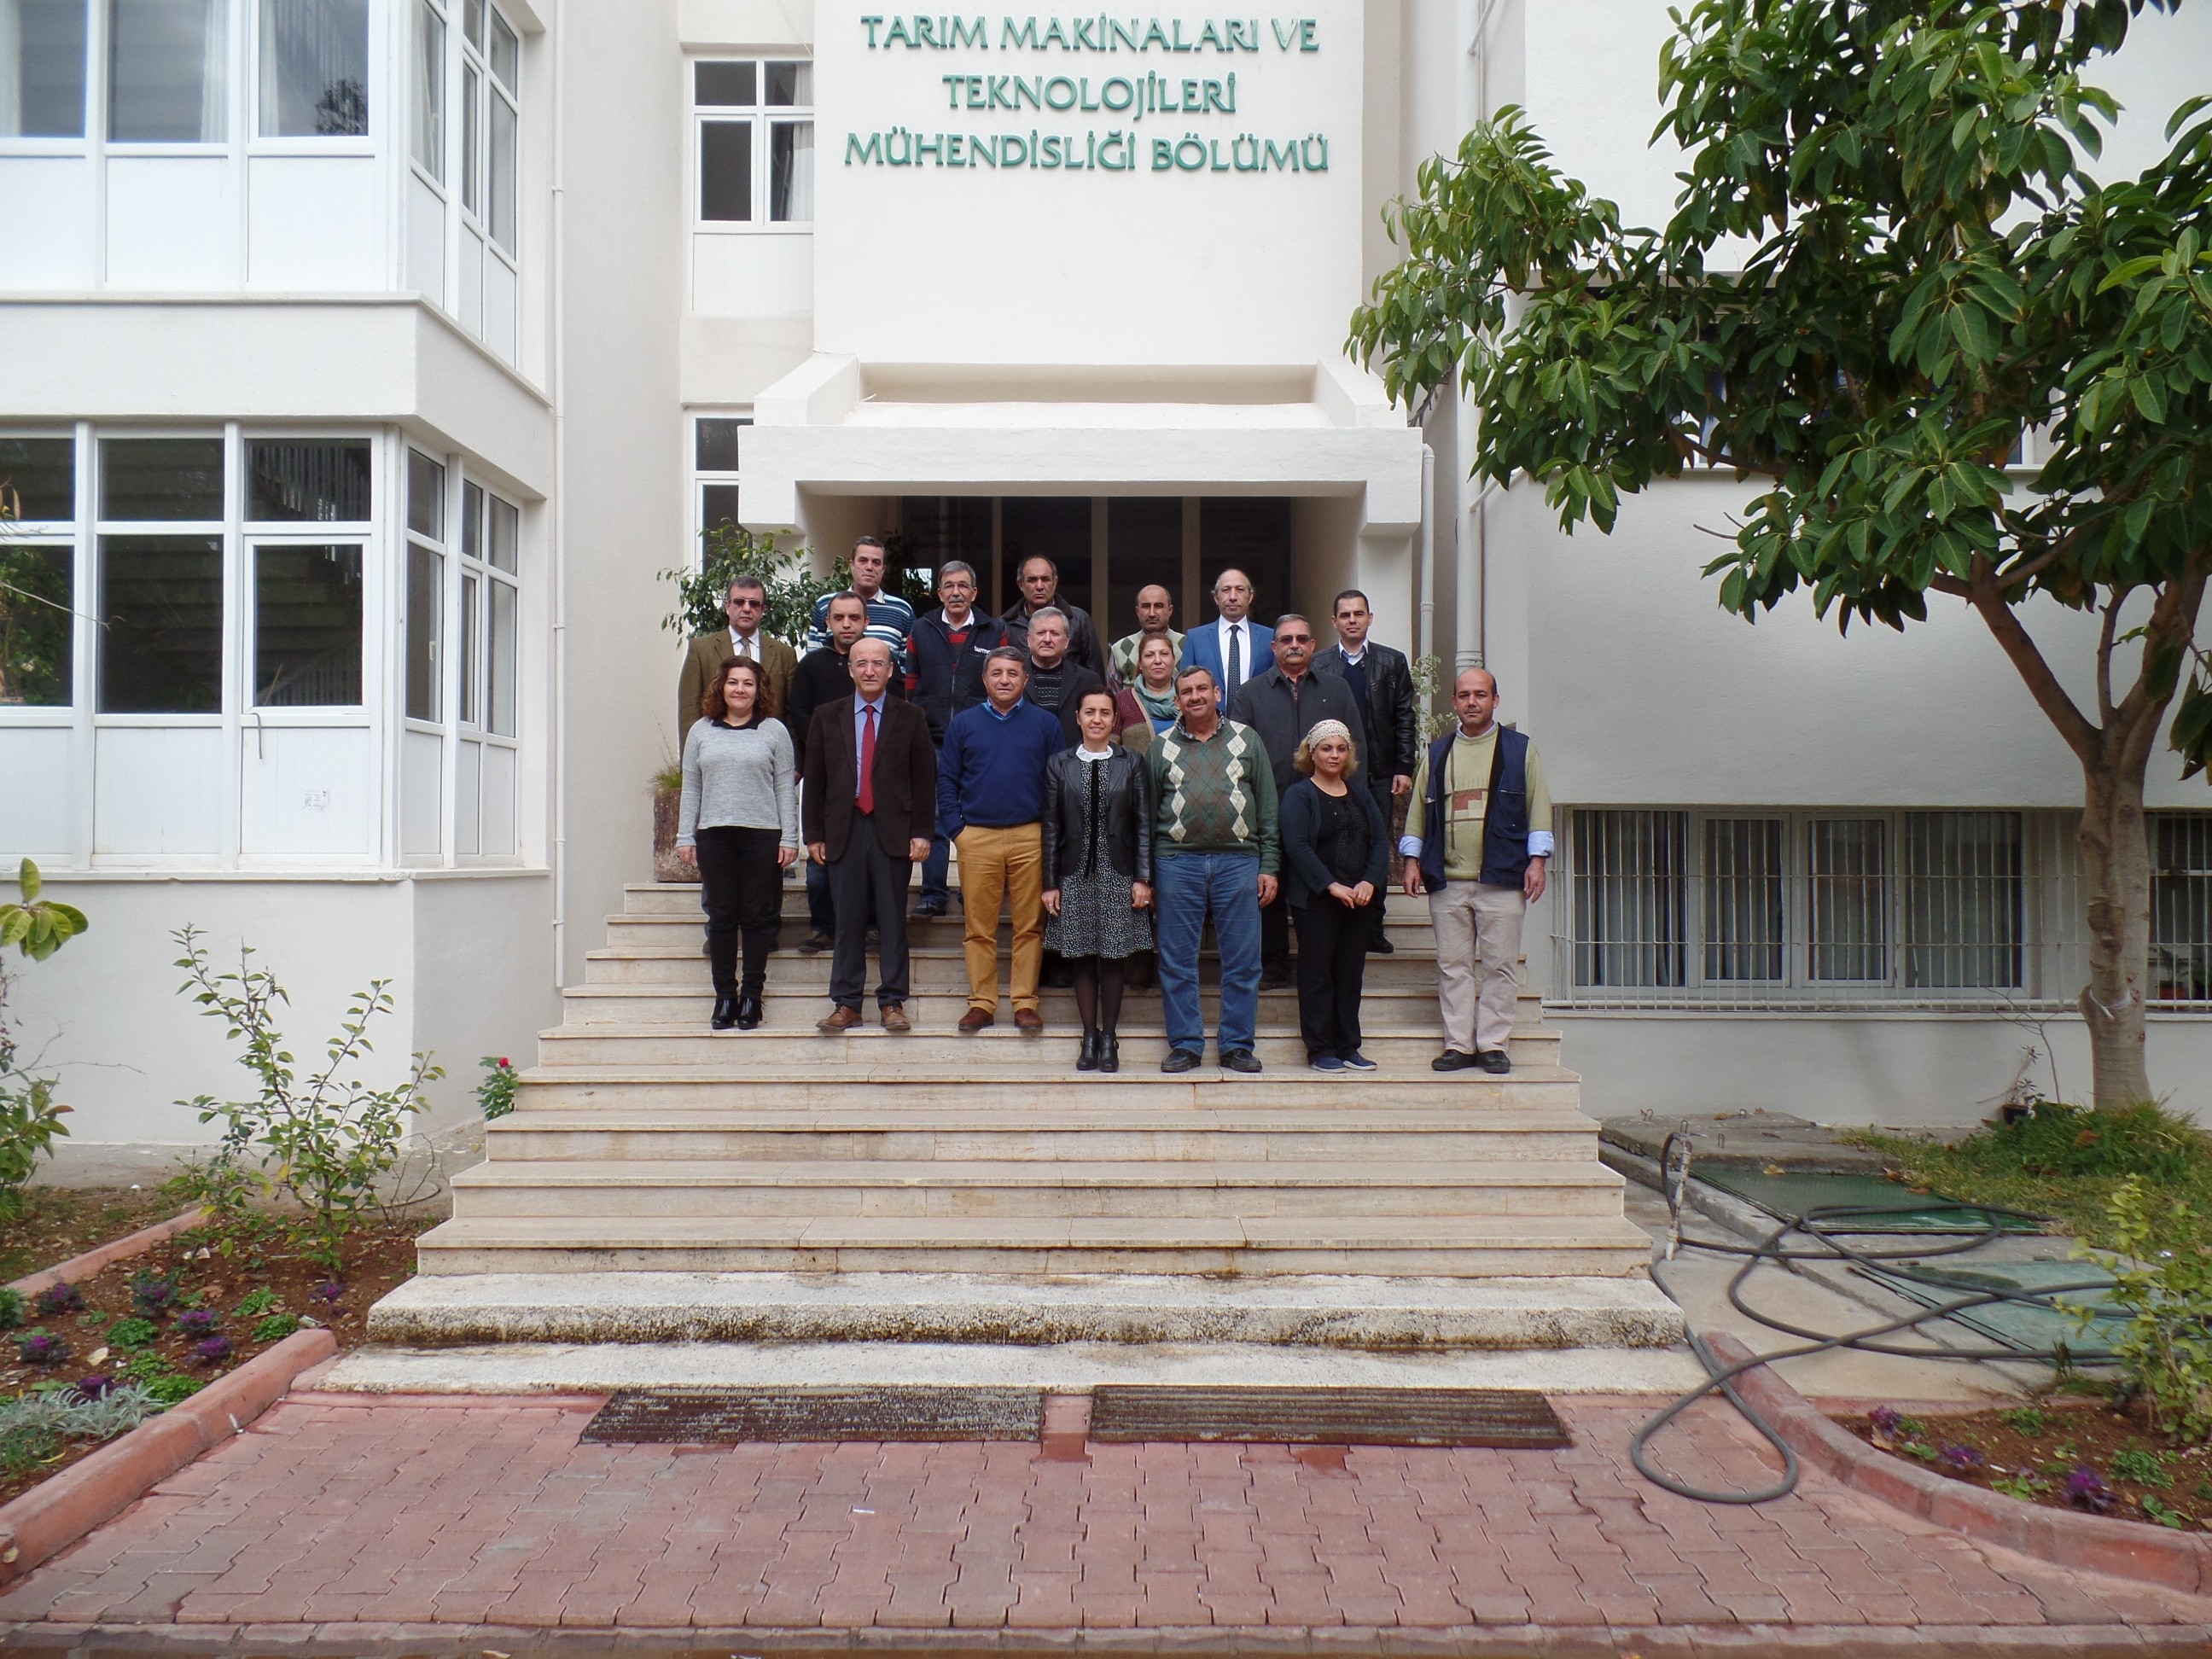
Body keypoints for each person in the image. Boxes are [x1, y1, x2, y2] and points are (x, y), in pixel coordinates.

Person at [1400, 667, 1554, 1074]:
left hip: (1502, 879)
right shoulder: (1437, 753)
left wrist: (1537, 861)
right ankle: (1458, 1044)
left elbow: (1539, 806)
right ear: (1454, 702)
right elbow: (1418, 809)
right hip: (1447, 880)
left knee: (1500, 966)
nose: (1472, 702)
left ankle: (1493, 1045)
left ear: (1495, 700)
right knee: (1453, 967)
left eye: (1481, 694)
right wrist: (1412, 860)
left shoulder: (1520, 750)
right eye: (1465, 695)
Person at [1145, 666, 1279, 1074]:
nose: (1195, 696)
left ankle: (1236, 1045)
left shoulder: (1247, 739)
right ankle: (1186, 1044)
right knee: (1176, 960)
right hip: (1176, 862)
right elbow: (1146, 815)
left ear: (1217, 693)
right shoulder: (1160, 747)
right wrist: (1147, 875)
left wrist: (1269, 865)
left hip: (1238, 861)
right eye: (1186, 692)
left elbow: (1268, 808)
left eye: (1202, 689)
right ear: (1177, 701)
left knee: (1243, 960)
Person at [801, 638, 934, 1032]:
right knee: (847, 919)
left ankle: (892, 1002)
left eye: (878, 663)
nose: (870, 670)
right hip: (843, 828)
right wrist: (813, 834)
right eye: (862, 663)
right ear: (851, 670)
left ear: (891, 670)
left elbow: (924, 779)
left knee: (892, 919)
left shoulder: (911, 717)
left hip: (893, 829)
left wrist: (922, 832)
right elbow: (815, 781)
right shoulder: (827, 716)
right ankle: (847, 1003)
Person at [1231, 615, 1369, 992]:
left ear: (1312, 645)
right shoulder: (1250, 693)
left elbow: (1355, 746)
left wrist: (1353, 807)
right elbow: (1237, 754)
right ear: (1273, 647)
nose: (1294, 645)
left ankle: (1318, 963)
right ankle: (1274, 963)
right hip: (1268, 806)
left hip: (1325, 809)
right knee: (1270, 886)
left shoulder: (1337, 689)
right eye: (1286, 639)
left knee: (1318, 886)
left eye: (1301, 639)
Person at [937, 648, 1063, 1033]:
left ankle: (1024, 1002)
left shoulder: (1046, 724)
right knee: (979, 927)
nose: (1004, 680)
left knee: (1030, 926)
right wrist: (957, 830)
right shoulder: (964, 724)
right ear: (984, 679)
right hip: (977, 837)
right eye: (996, 673)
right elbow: (947, 780)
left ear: (1025, 679)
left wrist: (1051, 831)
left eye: (1012, 673)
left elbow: (1059, 783)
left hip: (1030, 835)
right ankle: (982, 1003)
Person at [675, 657, 799, 1031]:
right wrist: (685, 835)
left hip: (763, 835)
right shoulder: (701, 731)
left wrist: (790, 838)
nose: (740, 690)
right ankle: (725, 996)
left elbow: (785, 788)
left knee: (757, 919)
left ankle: (752, 998)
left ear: (759, 690)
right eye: (733, 682)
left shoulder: (775, 731)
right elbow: (691, 787)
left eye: (748, 683)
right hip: (715, 835)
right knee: (722, 918)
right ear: (721, 687)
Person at [1042, 688, 1155, 1073]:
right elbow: (1051, 826)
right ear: (1077, 717)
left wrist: (1143, 878)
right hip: (1074, 873)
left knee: (1113, 955)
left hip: (1118, 872)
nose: (1096, 719)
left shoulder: (1132, 762)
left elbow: (1143, 823)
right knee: (1081, 955)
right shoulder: (1060, 763)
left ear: (1114, 720)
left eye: (1105, 713)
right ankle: (1089, 1036)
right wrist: (1050, 882)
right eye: (1089, 712)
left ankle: (1110, 1038)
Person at [1313, 588, 1418, 955]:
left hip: (1379, 772)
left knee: (1375, 845)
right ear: (1334, 622)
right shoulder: (1320, 664)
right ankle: (1334, 921)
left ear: (1369, 618)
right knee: (1334, 845)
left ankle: (1374, 925)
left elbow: (1405, 717)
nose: (1352, 620)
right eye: (1345, 615)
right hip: (1332, 773)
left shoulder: (1392, 662)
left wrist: (1404, 766)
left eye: (1359, 614)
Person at [1278, 721, 1388, 1072]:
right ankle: (1320, 1049)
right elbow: (1296, 846)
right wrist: (1331, 885)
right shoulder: (1299, 795)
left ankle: (1348, 1046)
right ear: (1311, 753)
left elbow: (1380, 842)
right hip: (1317, 901)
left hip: (1359, 901)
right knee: (1317, 976)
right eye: (1326, 748)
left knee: (1350, 975)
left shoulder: (1361, 793)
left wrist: (1370, 881)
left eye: (1341, 749)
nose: (1334, 755)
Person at [905, 561, 1009, 920]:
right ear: (939, 592)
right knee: (935, 816)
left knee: (975, 818)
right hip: (932, 739)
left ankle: (972, 893)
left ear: (974, 592)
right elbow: (910, 686)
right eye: (949, 586)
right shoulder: (921, 628)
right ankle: (934, 893)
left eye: (963, 586)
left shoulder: (994, 631)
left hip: (979, 740)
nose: (956, 592)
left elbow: (1003, 682)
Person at [786, 592, 876, 955]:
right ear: (827, 622)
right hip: (824, 771)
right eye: (839, 618)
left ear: (866, 621)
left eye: (854, 617)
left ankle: (872, 925)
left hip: (871, 772)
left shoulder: (878, 663)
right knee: (821, 854)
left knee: (872, 853)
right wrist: (827, 748)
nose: (847, 624)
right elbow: (799, 711)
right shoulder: (811, 665)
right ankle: (823, 927)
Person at [677, 574, 797, 746]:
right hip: (715, 752)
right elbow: (689, 712)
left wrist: (794, 758)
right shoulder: (701, 650)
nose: (747, 609)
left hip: (768, 753)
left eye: (754, 604)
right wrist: (690, 758)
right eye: (739, 602)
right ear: (727, 606)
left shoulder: (784, 654)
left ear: (763, 610)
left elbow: (792, 716)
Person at [806, 535, 916, 667]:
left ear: (883, 569)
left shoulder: (902, 611)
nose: (869, 567)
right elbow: (814, 661)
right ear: (851, 565)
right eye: (863, 561)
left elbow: (908, 666)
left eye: (876, 562)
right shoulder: (825, 605)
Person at [999, 554, 1106, 677]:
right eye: (1032, 580)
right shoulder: (1005, 624)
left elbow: (1095, 675)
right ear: (1020, 585)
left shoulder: (1079, 620)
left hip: (1071, 689)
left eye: (1045, 579)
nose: (1039, 586)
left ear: (1055, 583)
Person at [1179, 568, 1271, 707]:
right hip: (1209, 717)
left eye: (1240, 590)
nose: (1233, 597)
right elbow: (1184, 684)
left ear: (1250, 596)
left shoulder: (1269, 637)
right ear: (1216, 597)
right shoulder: (1196, 638)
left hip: (1257, 717)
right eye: (1226, 590)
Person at [1022, 608, 1109, 748]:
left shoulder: (1089, 680)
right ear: (1029, 639)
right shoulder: (1013, 678)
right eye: (1041, 633)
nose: (1047, 639)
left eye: (1054, 634)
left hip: (1073, 758)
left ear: (1066, 641)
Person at [1115, 630, 1181, 754]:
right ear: (1140, 663)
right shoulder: (1122, 701)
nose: (1158, 660)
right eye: (1149, 655)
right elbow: (1109, 748)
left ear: (1173, 660)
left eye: (1164, 654)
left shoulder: (1187, 699)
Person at [1108, 585, 1184, 687]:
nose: (1152, 613)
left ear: (1170, 610)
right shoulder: (1121, 648)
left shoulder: (1187, 644)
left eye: (1158, 606)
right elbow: (1113, 693)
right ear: (1137, 611)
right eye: (1146, 606)